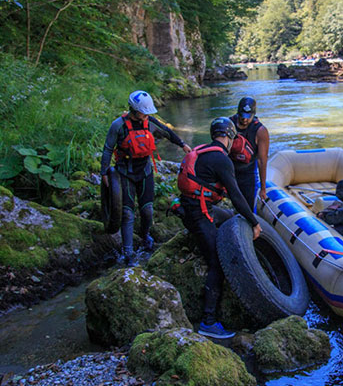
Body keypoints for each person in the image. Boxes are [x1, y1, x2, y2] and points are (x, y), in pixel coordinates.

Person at [178, 116, 261, 339]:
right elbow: (235, 195)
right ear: (231, 136)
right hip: (198, 213)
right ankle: (208, 321)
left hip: (192, 207)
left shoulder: (203, 150)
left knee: (232, 219)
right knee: (218, 260)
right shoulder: (222, 159)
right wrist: (254, 222)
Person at [101, 90, 192, 264]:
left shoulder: (150, 122)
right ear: (134, 110)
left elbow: (166, 132)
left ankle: (145, 236)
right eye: (144, 112)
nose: (146, 115)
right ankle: (128, 253)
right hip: (125, 173)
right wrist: (104, 172)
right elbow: (107, 149)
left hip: (145, 172)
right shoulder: (118, 126)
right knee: (127, 214)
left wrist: (183, 144)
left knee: (147, 210)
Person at [229, 96, 270, 210]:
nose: (245, 120)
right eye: (242, 116)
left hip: (248, 172)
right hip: (229, 170)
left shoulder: (260, 131)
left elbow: (262, 161)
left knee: (248, 208)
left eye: (248, 117)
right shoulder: (229, 124)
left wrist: (263, 188)